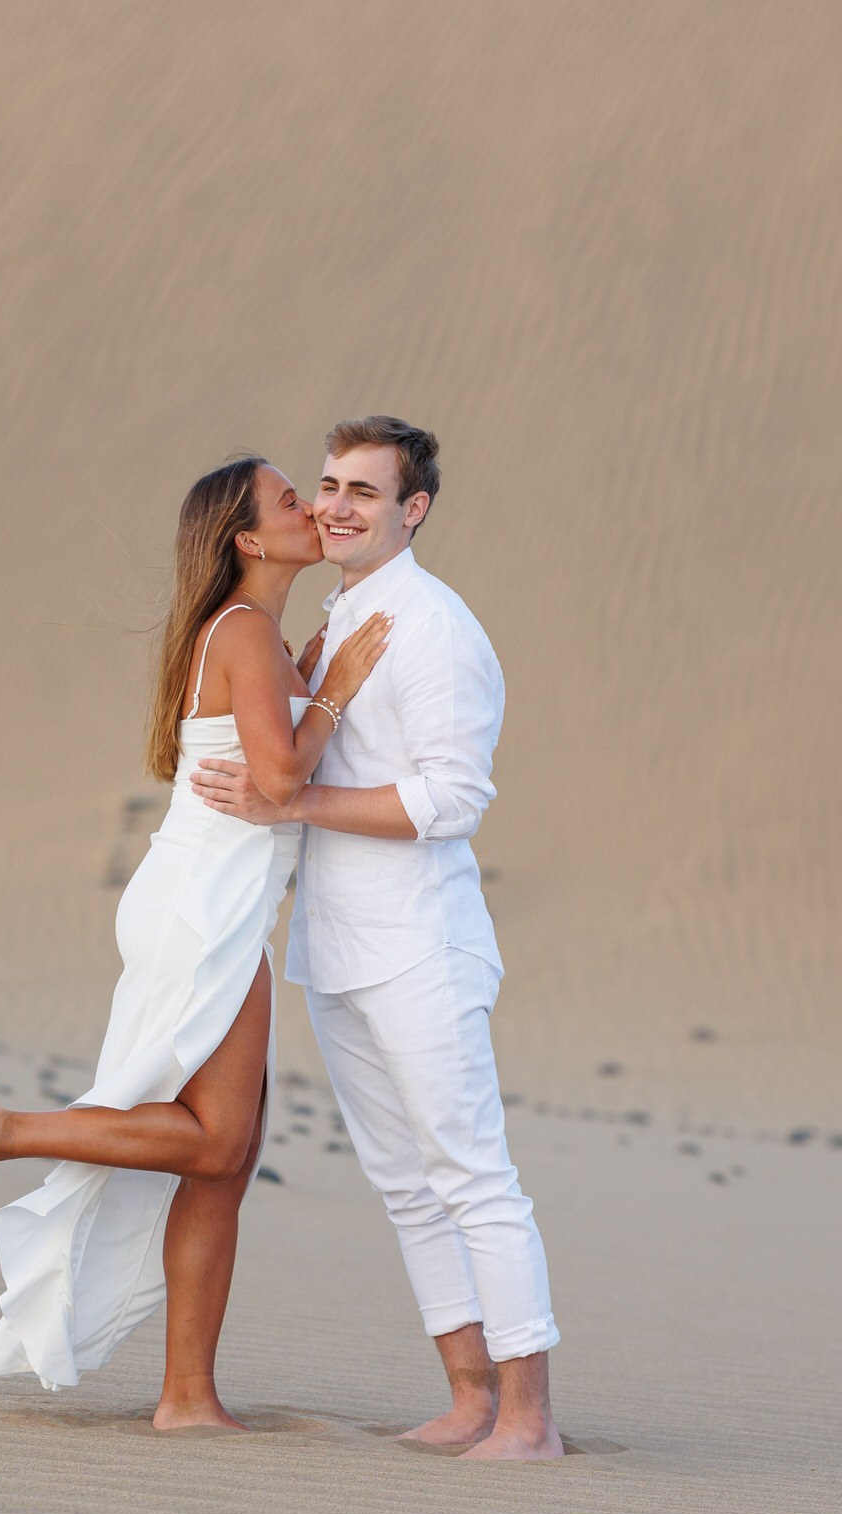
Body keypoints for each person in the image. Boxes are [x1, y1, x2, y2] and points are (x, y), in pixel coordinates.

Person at [0, 456, 392, 1431]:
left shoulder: (261, 637)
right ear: (247, 537)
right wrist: (338, 692)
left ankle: (187, 1399)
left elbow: (270, 768)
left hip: (214, 900)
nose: (315, 509)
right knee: (219, 1142)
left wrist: (316, 669)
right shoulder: (242, 630)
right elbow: (282, 782)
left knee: (224, 1162)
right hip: (207, 906)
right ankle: (2, 1130)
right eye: (292, 499)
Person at [191, 417, 562, 1460]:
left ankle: (529, 1416)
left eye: (364, 490)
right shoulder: (341, 606)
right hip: (338, 944)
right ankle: (467, 1396)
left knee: (470, 1174)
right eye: (327, 484)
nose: (336, 505)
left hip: (420, 942)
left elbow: (452, 799)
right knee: (402, 1179)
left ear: (415, 510)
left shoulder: (436, 628)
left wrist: (294, 806)